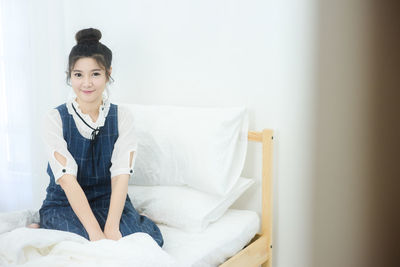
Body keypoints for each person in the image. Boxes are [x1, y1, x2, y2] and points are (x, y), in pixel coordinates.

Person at [31, 28, 163, 246]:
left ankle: (124, 221)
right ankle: (42, 226)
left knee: (140, 241)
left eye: (95, 74)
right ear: (69, 76)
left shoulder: (122, 117)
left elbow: (121, 175)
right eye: (78, 75)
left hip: (107, 202)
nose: (86, 83)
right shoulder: (55, 118)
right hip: (65, 203)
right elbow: (66, 179)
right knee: (80, 242)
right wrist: (96, 234)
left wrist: (111, 228)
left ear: (108, 73)